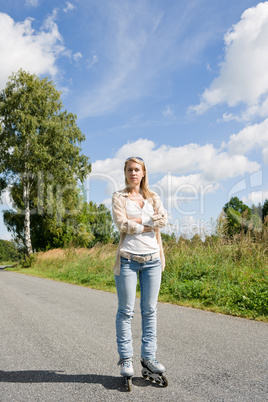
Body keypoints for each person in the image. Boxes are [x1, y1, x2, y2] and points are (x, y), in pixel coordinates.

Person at [112, 156, 167, 382]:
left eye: (137, 170)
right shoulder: (119, 196)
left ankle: (149, 358)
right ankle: (126, 358)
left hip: (153, 259)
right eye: (129, 170)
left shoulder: (153, 197)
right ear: (125, 173)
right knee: (126, 311)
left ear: (143, 173)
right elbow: (121, 223)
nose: (133, 173)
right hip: (128, 259)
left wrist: (138, 221)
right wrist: (147, 223)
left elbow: (163, 220)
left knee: (149, 311)